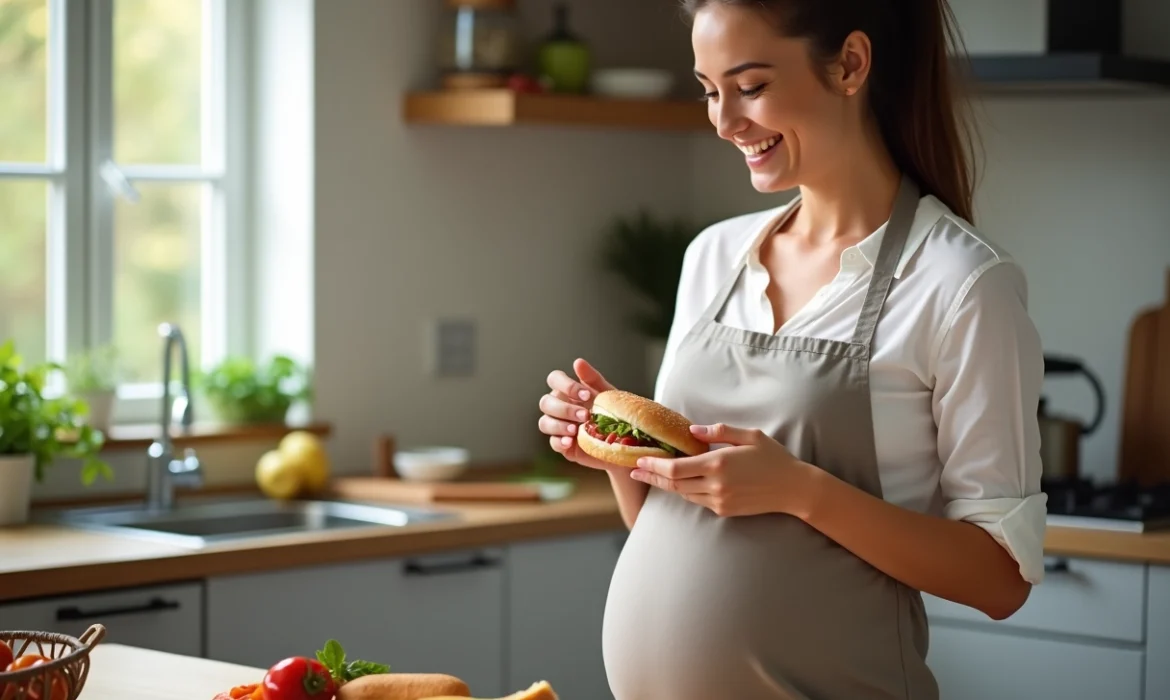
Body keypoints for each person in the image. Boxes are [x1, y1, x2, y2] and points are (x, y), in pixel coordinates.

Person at [537, 0, 1047, 698]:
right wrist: (614, 450)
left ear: (851, 65)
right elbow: (672, 523)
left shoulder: (960, 284)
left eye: (750, 87)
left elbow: (1001, 578)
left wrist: (800, 490)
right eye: (709, 91)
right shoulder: (713, 257)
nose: (723, 121)